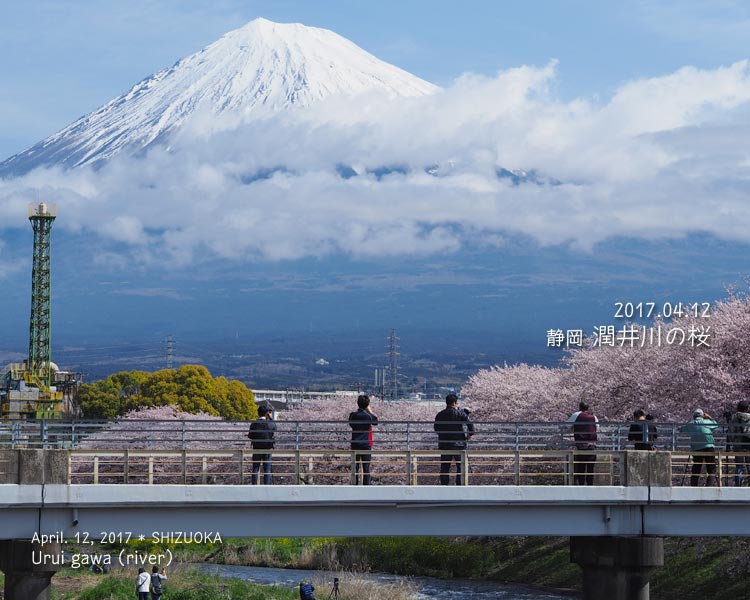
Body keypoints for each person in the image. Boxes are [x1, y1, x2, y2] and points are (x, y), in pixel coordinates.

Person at [434, 393, 475, 485]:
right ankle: (459, 485)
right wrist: (468, 436)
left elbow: (436, 429)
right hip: (459, 445)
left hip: (445, 444)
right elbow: (471, 427)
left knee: (445, 466)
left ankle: (444, 485)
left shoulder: (440, 415)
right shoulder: (461, 414)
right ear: (454, 403)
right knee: (461, 466)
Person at [680, 408, 718, 486]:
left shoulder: (691, 424)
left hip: (696, 448)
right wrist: (709, 417)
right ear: (702, 416)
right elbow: (715, 424)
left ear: (694, 416)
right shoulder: (706, 422)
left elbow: (681, 429)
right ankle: (709, 486)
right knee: (711, 469)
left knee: (696, 468)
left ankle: (694, 486)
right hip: (709, 447)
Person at [349, 394, 378, 485]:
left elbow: (351, 425)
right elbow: (375, 421)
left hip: (355, 443)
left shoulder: (353, 415)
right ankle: (367, 486)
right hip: (365, 444)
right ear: (367, 404)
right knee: (366, 467)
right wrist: (369, 410)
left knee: (355, 466)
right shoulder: (368, 416)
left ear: (357, 403)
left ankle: (355, 484)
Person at [568, 401, 598, 486]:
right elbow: (597, 427)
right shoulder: (593, 416)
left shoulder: (576, 415)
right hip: (592, 444)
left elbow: (567, 426)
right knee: (590, 468)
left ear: (579, 407)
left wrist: (574, 429)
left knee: (581, 467)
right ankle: (590, 486)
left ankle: (581, 485)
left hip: (581, 445)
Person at [248, 405, 277, 485]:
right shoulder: (270, 424)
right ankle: (266, 486)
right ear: (267, 413)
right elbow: (275, 429)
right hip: (267, 448)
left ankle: (254, 485)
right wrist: (271, 419)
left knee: (255, 469)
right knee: (267, 470)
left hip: (256, 448)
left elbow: (250, 435)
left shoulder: (254, 424)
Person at [728, 400, 750, 486]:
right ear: (747, 408)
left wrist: (733, 441)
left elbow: (731, 432)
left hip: (738, 444)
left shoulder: (734, 418)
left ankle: (738, 484)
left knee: (739, 466)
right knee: (749, 465)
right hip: (748, 444)